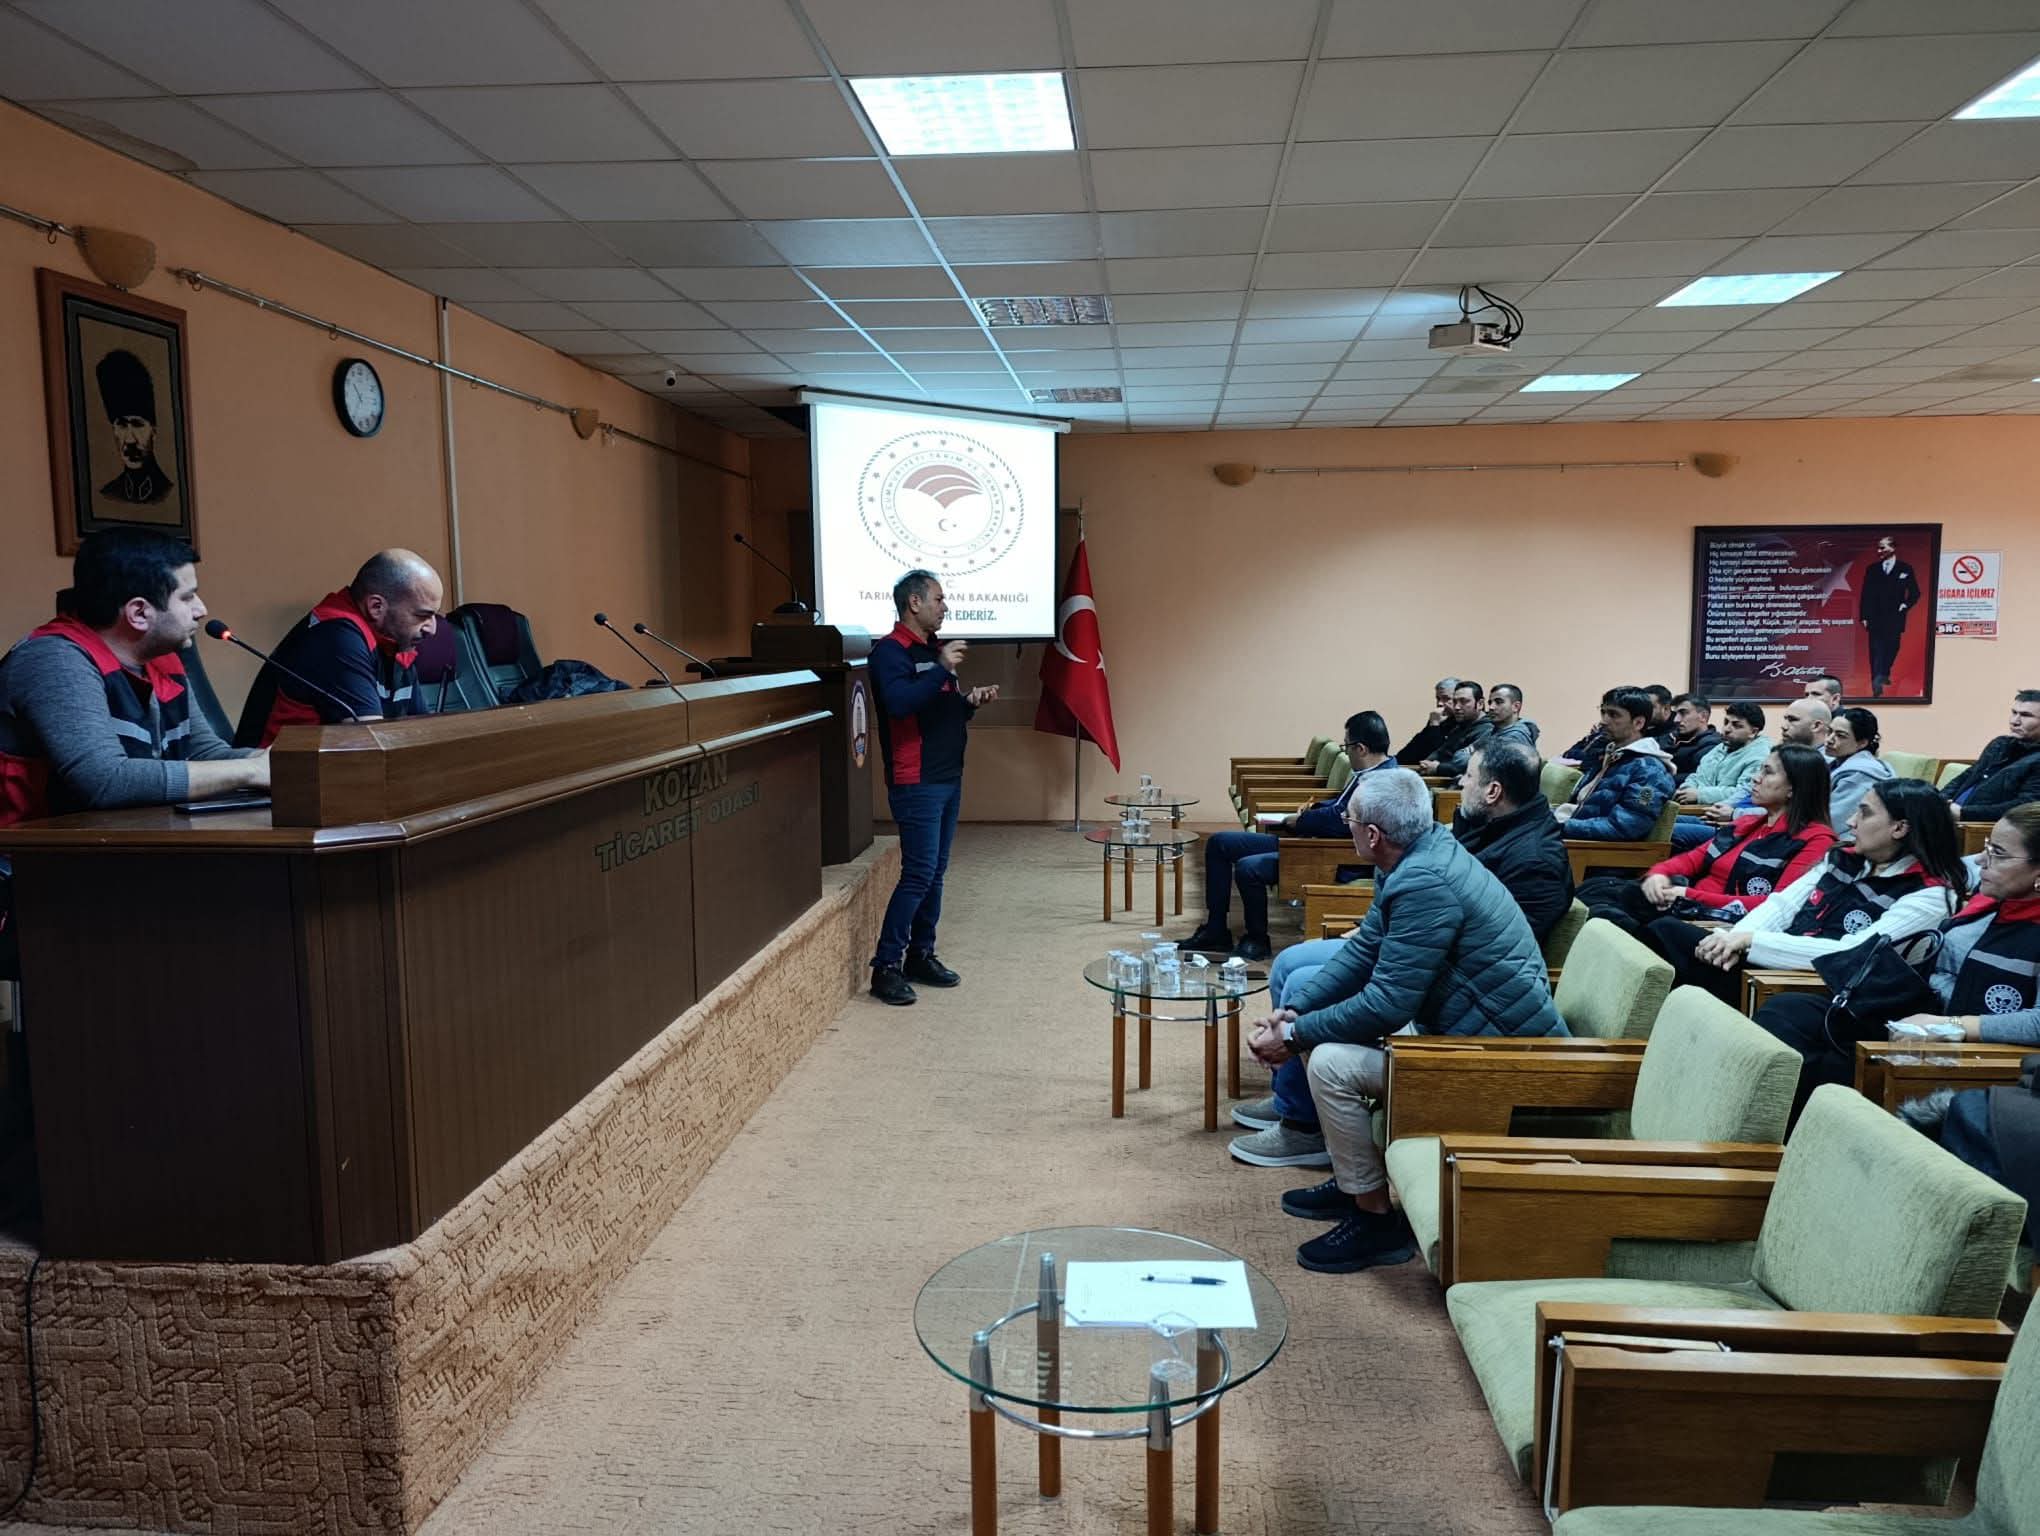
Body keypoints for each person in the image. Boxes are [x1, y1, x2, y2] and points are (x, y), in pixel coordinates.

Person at [1236, 770, 1564, 1273]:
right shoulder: (1416, 852)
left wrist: (1296, 1036)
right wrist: (1297, 1010)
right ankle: (1354, 1182)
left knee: (1329, 1062)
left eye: (1349, 819)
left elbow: (1388, 1004)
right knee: (1321, 1029)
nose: (1345, 824)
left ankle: (1375, 1221)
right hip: (1462, 1034)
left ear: (1372, 835)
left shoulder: (1424, 880)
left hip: (1500, 1060)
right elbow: (1366, 947)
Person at [1757, 801, 2040, 1125]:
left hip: (1966, 1050)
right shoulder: (1990, 904)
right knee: (1789, 1012)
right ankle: (1764, 1130)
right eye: (1987, 847)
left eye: (1998, 854)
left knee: (1834, 1067)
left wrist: (1952, 1026)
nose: (1980, 860)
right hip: (1918, 1020)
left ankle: (1795, 1139)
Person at [0, 529, 266, 828]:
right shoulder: (53, 658)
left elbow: (204, 753)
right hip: (28, 850)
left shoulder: (162, 659)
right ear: (139, 613)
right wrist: (252, 770)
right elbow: (105, 781)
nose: (201, 610)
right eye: (188, 597)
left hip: (122, 839)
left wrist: (282, 763)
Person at [1661, 779, 1966, 1004]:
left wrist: (1751, 942)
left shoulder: (1929, 895)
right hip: (1769, 959)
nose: (1851, 822)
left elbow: (1851, 954)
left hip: (1818, 987)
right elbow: (1782, 906)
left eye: (1864, 814)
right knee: (1666, 931)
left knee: (1675, 942)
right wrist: (1733, 940)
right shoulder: (1844, 858)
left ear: (1899, 828)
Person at [865, 569, 996, 1006]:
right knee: (918, 874)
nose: (945, 607)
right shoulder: (890, 652)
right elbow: (900, 703)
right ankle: (885, 967)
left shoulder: (932, 651)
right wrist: (940, 668)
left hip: (947, 776)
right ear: (914, 603)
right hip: (916, 779)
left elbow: (937, 708)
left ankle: (920, 955)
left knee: (935, 873)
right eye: (939, 599)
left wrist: (968, 702)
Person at [1182, 711, 1394, 961]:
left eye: (1346, 746)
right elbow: (1339, 805)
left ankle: (1257, 939)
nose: (1345, 752)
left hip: (1333, 858)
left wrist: (1301, 821)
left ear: (1361, 748)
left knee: (1249, 868)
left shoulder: (1382, 782)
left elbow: (1341, 822)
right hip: (1312, 844)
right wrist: (1312, 811)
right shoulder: (1371, 772)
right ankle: (1216, 929)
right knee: (1220, 843)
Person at [1579, 744, 1835, 945]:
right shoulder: (1748, 823)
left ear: (1794, 788)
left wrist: (1688, 895)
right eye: (1759, 770)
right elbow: (1691, 859)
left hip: (1722, 926)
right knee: (1597, 889)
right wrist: (1659, 874)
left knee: (1610, 914)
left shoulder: (1816, 839)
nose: (1755, 779)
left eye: (1767, 772)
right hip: (1686, 906)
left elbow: (1776, 906)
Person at [235, 550, 444, 746]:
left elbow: (424, 733)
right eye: (422, 615)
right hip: (274, 770)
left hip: (330, 769)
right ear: (376, 607)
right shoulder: (335, 636)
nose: (432, 629)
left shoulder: (394, 641)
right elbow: (370, 745)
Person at [1553, 687, 1675, 841]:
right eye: (1603, 713)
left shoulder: (1650, 771)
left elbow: (1625, 827)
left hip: (1592, 849)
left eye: (1613, 715)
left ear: (1638, 723)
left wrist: (1559, 827)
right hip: (1573, 834)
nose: (1603, 721)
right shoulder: (1611, 756)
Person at [1671, 701, 1769, 849]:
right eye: (1726, 722)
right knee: (1657, 822)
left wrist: (1699, 794)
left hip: (1730, 820)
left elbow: (1743, 792)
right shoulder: (1721, 747)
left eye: (1737, 725)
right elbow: (1697, 776)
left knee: (1667, 831)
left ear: (1753, 732)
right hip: (1706, 812)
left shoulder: (1761, 756)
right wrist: (1686, 789)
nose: (1727, 729)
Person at [1943, 691, 2040, 822]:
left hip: (1978, 826)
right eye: (2014, 713)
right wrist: (1940, 799)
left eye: (2025, 715)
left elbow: (2025, 807)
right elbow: (1967, 776)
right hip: (1951, 818)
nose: (2014, 721)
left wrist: (1963, 813)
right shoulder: (2000, 744)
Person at [94, 348, 175, 505]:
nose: (130, 440)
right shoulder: (109, 493)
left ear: (154, 431)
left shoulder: (167, 492)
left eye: (138, 425)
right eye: (122, 425)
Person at [1859, 536, 1921, 698]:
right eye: (1878, 548)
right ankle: (1877, 685)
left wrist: (1905, 605)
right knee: (1876, 651)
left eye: (1882, 548)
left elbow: (1915, 592)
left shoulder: (1905, 568)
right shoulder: (1872, 569)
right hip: (1875, 617)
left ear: (1893, 548)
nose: (1878, 551)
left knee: (1892, 648)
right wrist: (1864, 616)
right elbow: (1866, 594)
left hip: (1895, 617)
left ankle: (1884, 673)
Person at [1435, 682, 1536, 778]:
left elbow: (1488, 769)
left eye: (1499, 702)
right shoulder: (1492, 733)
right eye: (1490, 702)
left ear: (1516, 707)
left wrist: (1475, 758)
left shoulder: (1516, 738)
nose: (1491, 707)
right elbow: (1459, 756)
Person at [1826, 705, 1892, 838]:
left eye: (1840, 736)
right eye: (1829, 732)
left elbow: (1832, 823)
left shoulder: (1859, 776)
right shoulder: (1838, 763)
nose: (1829, 740)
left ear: (1862, 743)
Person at [1414, 680, 1491, 776]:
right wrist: (1426, 763)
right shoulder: (1459, 727)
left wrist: (1438, 768)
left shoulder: (1488, 729)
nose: (1457, 707)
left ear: (1480, 704)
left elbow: (1470, 765)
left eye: (1463, 701)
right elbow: (1440, 752)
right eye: (1455, 702)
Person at [1395, 677, 1459, 765]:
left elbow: (1438, 756)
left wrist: (1434, 725)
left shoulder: (1463, 724)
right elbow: (1407, 753)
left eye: (1446, 698)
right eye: (1438, 698)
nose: (1439, 703)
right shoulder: (1440, 719)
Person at [1660, 692, 1721, 781]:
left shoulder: (1712, 746)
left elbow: (1696, 778)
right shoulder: (1674, 735)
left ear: (1703, 716)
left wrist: (1660, 777)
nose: (1676, 720)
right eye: (1676, 714)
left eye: (1683, 713)